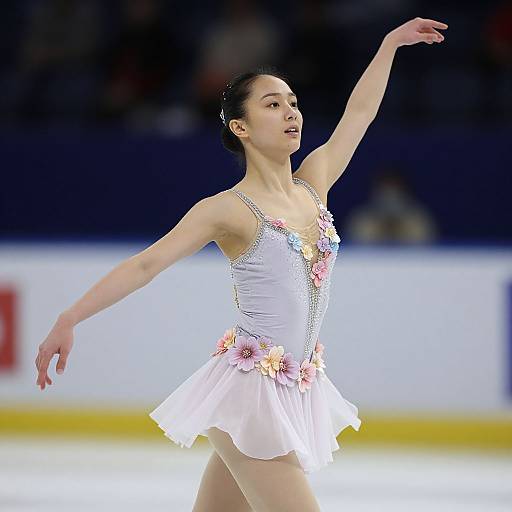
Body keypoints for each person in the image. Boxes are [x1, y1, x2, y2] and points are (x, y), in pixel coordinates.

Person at [35, 17, 447, 511]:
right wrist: (69, 317)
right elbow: (147, 265)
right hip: (250, 395)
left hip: (293, 387)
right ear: (241, 126)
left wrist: (388, 46)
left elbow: (358, 114)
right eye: (273, 105)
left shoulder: (314, 183)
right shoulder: (226, 209)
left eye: (293, 102)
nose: (291, 112)